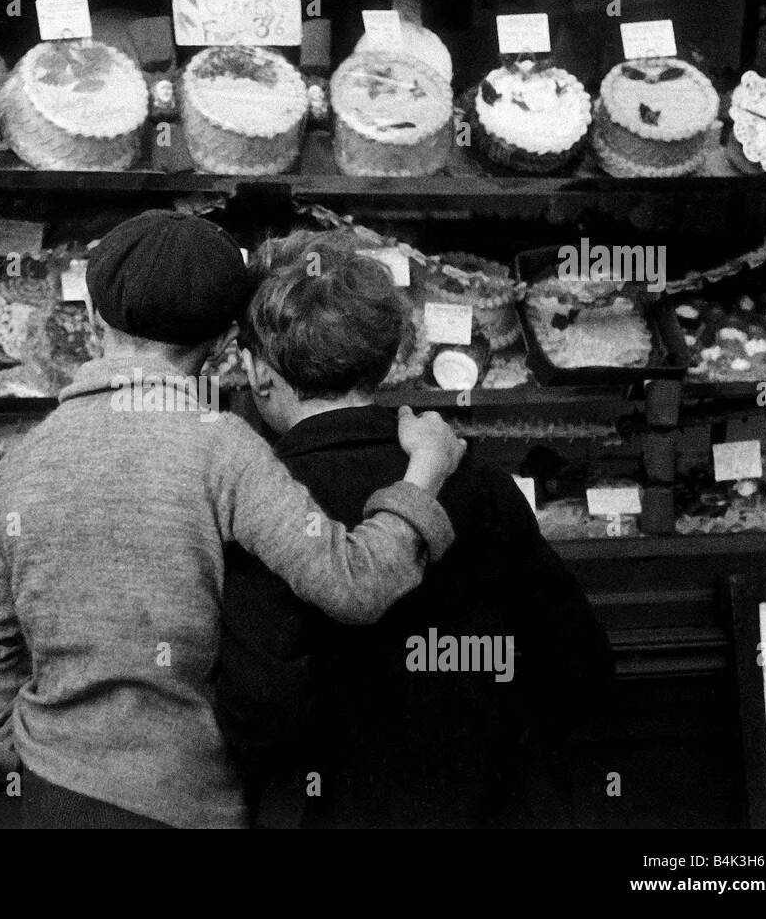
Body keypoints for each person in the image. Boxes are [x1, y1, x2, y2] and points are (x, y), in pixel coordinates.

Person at [0, 211, 467, 829]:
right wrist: (425, 474)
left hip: (53, 794)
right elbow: (355, 583)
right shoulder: (224, 449)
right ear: (223, 346)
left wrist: (25, 752)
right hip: (188, 803)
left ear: (91, 321)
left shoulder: (23, 461)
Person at [216, 229, 614, 828]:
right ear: (385, 357)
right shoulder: (478, 484)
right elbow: (579, 667)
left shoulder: (255, 503)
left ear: (257, 372)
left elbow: (257, 718)